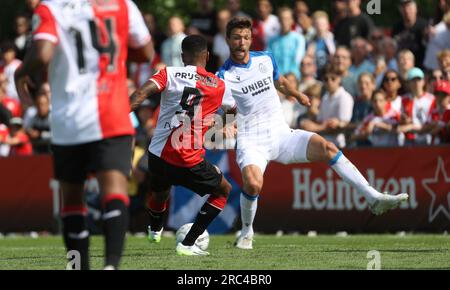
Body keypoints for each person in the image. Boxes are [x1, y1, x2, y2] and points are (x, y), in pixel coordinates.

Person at [218, 17, 408, 250]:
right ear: (228, 40)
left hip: (281, 134)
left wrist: (297, 95)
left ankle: (373, 198)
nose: (242, 42)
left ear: (251, 39)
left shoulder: (265, 59)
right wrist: (226, 124)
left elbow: (280, 82)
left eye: (246, 37)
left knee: (328, 148)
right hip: (252, 141)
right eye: (236, 37)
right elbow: (227, 110)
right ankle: (246, 231)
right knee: (254, 184)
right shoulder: (223, 77)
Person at [15, 0, 154, 270]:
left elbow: (42, 53)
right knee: (114, 191)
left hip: (70, 118)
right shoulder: (123, 4)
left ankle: (78, 267)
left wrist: (21, 71)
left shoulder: (51, 8)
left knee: (72, 199)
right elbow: (146, 51)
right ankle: (111, 266)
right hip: (113, 112)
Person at [129, 35, 234, 256]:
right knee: (223, 190)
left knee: (160, 192)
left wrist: (120, 116)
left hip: (156, 154)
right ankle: (187, 244)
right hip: (187, 158)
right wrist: (223, 126)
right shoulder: (219, 85)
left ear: (182, 56)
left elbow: (141, 94)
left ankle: (155, 230)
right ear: (206, 56)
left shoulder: (169, 73)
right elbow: (232, 109)